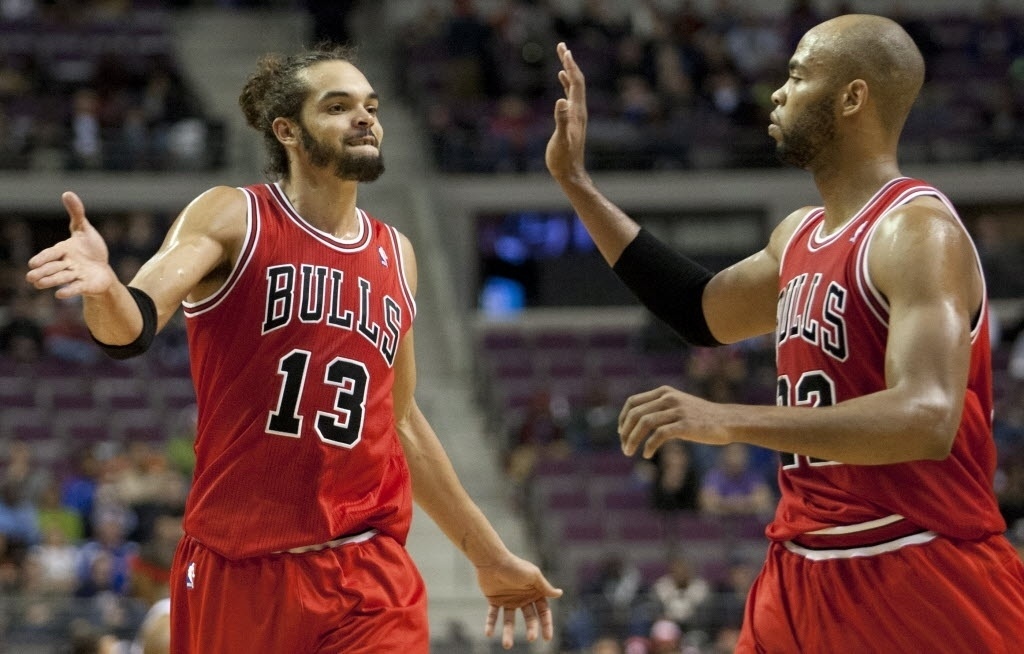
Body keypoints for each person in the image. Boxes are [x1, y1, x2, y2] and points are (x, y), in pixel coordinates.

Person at [27, 42, 561, 653]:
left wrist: (488, 555)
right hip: (238, 568)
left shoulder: (398, 254)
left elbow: (402, 420)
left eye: (370, 105)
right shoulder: (235, 216)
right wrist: (103, 290)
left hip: (366, 567)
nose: (364, 118)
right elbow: (134, 324)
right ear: (287, 129)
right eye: (338, 106)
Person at [546, 13, 1024, 653]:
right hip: (801, 564)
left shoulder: (917, 232)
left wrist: (728, 420)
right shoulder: (798, 233)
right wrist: (578, 186)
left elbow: (927, 416)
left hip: (916, 557)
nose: (777, 92)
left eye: (797, 76)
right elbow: (698, 309)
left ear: (853, 97)